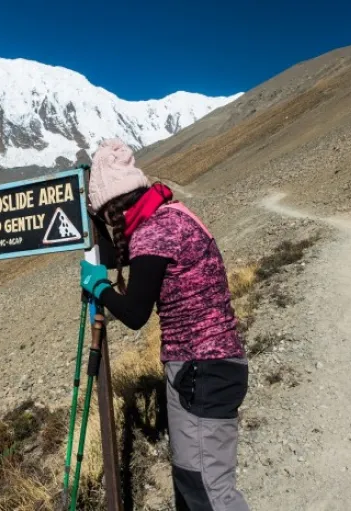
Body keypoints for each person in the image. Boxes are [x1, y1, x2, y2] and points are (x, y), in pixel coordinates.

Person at [80, 138, 250, 511]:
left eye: (107, 218)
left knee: (207, 489)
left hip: (199, 370)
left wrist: (98, 286)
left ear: (113, 209)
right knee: (195, 480)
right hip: (214, 367)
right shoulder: (174, 215)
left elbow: (136, 313)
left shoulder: (152, 233)